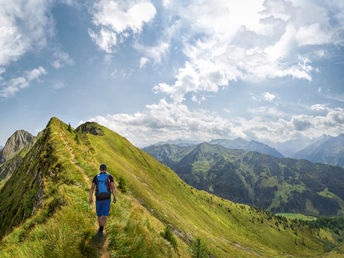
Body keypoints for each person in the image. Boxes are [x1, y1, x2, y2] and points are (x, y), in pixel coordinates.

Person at [89, 164, 117, 234]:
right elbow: (113, 187)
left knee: (99, 214)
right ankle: (101, 228)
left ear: (100, 169)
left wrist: (91, 197)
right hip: (107, 198)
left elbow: (92, 188)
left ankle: (100, 227)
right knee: (104, 214)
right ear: (105, 169)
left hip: (98, 198)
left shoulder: (96, 177)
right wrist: (114, 197)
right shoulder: (109, 176)